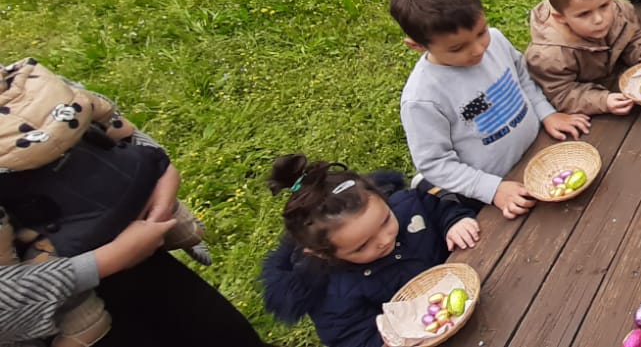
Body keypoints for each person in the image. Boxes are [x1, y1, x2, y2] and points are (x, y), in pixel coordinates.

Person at [0, 65, 268, 347]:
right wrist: (109, 259)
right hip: (61, 307)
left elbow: (94, 112)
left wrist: (160, 177)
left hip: (136, 253)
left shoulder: (19, 76)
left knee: (225, 334)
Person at [391, 0, 590, 219]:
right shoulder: (423, 99)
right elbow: (435, 163)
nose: (478, 50)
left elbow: (521, 76)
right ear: (417, 46)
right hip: (491, 189)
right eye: (457, 48)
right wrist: (492, 189)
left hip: (540, 151)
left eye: (480, 32)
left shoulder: (495, 40)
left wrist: (546, 112)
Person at [260, 154, 480, 347]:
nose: (384, 240)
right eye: (362, 246)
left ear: (382, 197)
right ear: (323, 253)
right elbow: (352, 337)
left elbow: (437, 205)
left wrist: (454, 221)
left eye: (385, 220)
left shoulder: (407, 205)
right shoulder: (333, 294)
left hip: (478, 283)